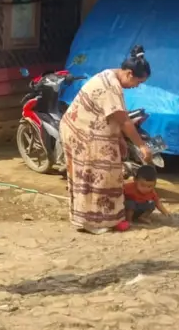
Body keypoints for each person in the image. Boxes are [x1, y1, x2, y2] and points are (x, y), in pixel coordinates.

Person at [60, 45, 154, 234]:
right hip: (83, 133)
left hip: (96, 131)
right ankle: (92, 222)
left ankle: (109, 217)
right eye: (138, 82)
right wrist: (142, 146)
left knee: (110, 171)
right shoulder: (110, 86)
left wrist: (118, 139)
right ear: (128, 74)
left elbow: (112, 116)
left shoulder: (113, 77)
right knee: (95, 175)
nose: (137, 86)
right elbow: (124, 121)